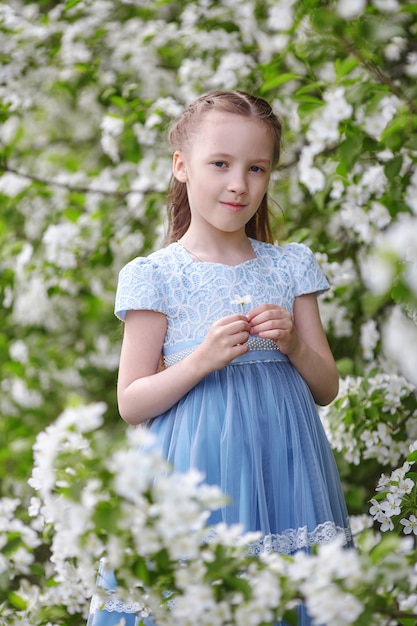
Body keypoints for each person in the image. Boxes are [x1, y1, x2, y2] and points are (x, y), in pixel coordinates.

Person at [87, 90, 352, 626]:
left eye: (257, 168)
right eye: (221, 164)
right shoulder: (154, 274)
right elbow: (132, 402)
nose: (239, 184)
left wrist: (295, 346)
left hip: (287, 472)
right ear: (182, 167)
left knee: (288, 596)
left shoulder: (291, 265)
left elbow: (327, 387)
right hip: (194, 475)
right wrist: (199, 361)